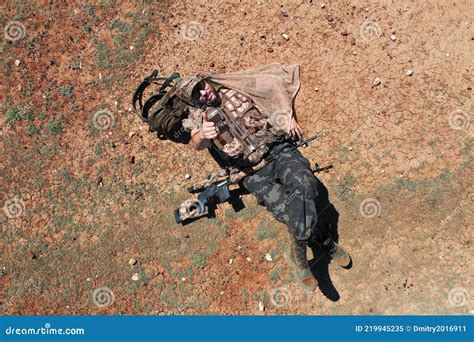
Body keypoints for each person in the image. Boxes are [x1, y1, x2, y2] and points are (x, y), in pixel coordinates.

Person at [174, 64, 350, 292]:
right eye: (196, 95)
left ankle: (300, 251)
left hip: (278, 152)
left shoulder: (234, 87)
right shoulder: (198, 118)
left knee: (306, 184)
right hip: (250, 172)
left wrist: (288, 117)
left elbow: (272, 84)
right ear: (193, 102)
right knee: (287, 209)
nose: (203, 93)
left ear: (206, 81)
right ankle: (321, 243)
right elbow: (196, 142)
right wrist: (202, 135)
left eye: (202, 87)